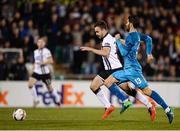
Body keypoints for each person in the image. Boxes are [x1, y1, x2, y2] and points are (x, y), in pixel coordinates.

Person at [103, 15, 174, 124]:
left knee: (147, 91)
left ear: (131, 23)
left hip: (133, 70)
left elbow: (124, 52)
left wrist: (117, 40)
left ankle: (168, 109)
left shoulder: (131, 37)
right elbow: (148, 39)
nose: (126, 24)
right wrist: (149, 54)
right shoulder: (136, 35)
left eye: (127, 22)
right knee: (107, 82)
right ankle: (125, 101)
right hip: (127, 69)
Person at [80, 20, 155, 121]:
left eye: (97, 31)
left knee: (129, 90)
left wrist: (91, 49)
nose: (96, 34)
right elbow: (124, 42)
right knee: (93, 86)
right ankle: (109, 106)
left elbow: (105, 53)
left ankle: (147, 105)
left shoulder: (107, 40)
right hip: (107, 69)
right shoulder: (110, 38)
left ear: (103, 30)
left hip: (115, 69)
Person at [28, 37, 59, 107]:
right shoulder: (35, 52)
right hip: (37, 72)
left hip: (45, 74)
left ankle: (57, 100)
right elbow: (35, 62)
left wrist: (43, 63)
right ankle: (36, 100)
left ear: (44, 44)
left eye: (42, 42)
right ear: (37, 43)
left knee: (50, 89)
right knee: (30, 85)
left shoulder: (47, 51)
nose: (40, 43)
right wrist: (32, 69)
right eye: (39, 42)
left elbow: (51, 61)